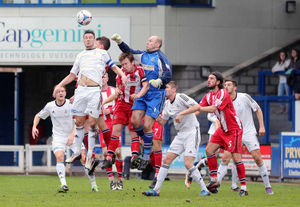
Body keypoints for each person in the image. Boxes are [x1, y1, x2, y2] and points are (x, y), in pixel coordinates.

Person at [53, 30, 127, 171]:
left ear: (94, 40)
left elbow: (114, 66)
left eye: (90, 37)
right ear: (83, 40)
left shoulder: (102, 53)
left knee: (93, 123)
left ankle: (91, 157)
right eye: (86, 38)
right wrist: (60, 85)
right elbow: (72, 75)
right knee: (80, 122)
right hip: (81, 90)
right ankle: (77, 151)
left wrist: (122, 74)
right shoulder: (80, 55)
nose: (88, 40)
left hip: (94, 90)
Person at [175, 72, 248, 196]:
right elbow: (198, 107)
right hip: (222, 130)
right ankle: (214, 181)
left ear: (218, 82)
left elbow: (213, 109)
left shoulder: (223, 93)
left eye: (211, 78)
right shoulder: (208, 95)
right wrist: (184, 113)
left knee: (236, 158)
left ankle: (244, 188)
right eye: (208, 78)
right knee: (209, 150)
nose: (208, 80)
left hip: (234, 129)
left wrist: (197, 109)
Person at [110, 33, 172, 170]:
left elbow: (169, 74)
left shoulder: (161, 58)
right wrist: (119, 42)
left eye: (150, 41)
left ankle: (145, 157)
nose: (147, 42)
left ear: (157, 44)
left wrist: (160, 81)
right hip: (143, 92)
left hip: (156, 94)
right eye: (148, 40)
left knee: (147, 125)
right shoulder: (143, 55)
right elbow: (129, 52)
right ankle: (146, 141)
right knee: (135, 121)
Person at [142, 81, 210, 197]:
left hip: (192, 132)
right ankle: (156, 190)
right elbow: (163, 122)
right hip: (181, 134)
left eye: (167, 87)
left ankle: (205, 189)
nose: (165, 89)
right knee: (166, 160)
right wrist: (156, 117)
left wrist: (181, 114)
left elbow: (197, 107)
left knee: (188, 163)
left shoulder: (181, 97)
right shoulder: (167, 104)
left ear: (174, 90)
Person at [32, 86, 99, 193]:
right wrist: (34, 126)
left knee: (84, 159)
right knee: (59, 156)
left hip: (74, 134)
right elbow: (38, 115)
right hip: (58, 137)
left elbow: (79, 121)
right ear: (54, 94)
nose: (60, 93)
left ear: (65, 93)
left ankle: (94, 185)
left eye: (62, 91)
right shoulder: (50, 106)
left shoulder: (71, 104)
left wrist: (72, 136)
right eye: (58, 92)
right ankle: (64, 184)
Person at [217, 79, 273, 194]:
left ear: (235, 87)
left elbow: (258, 109)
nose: (226, 87)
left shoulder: (244, 97)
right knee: (226, 157)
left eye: (229, 85)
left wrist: (262, 126)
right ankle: (216, 185)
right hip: (233, 133)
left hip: (248, 131)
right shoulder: (223, 101)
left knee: (257, 157)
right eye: (225, 85)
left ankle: (268, 186)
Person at [101, 52, 149, 177]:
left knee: (133, 132)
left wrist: (138, 95)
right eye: (122, 64)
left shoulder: (140, 71)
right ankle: (109, 158)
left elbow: (146, 86)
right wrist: (107, 99)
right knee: (115, 131)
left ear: (132, 62)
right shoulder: (120, 74)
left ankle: (134, 157)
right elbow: (117, 92)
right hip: (122, 105)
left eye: (126, 64)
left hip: (135, 105)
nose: (124, 66)